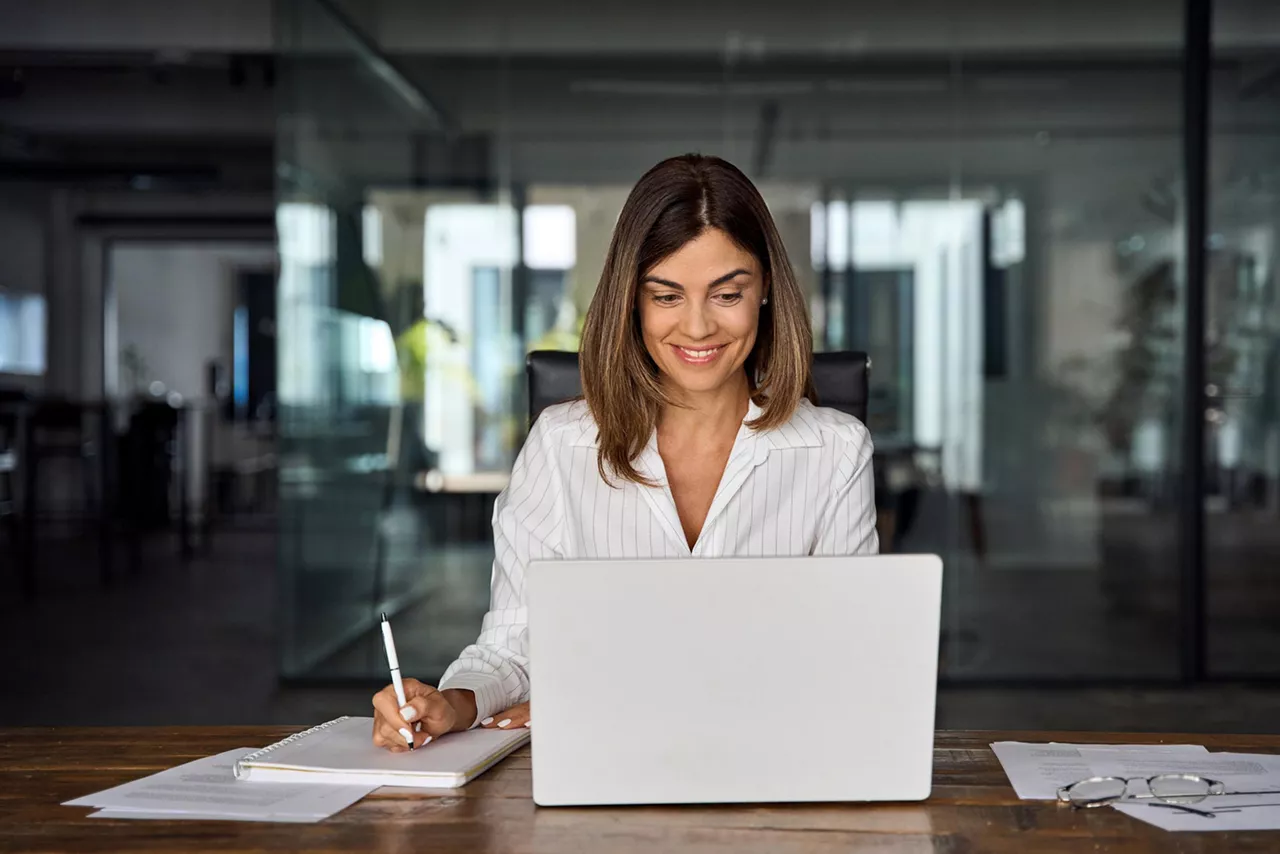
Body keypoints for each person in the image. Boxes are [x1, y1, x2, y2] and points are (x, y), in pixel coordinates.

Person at [371, 153, 878, 750]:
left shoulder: (835, 452)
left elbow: (847, 662)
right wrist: (453, 705)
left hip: (772, 762)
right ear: (631, 302)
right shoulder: (560, 446)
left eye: (726, 294)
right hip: (601, 770)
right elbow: (512, 646)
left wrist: (600, 698)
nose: (697, 328)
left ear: (764, 290)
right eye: (666, 296)